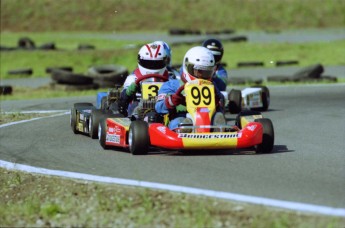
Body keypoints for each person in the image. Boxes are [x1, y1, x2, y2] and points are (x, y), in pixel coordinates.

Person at [155, 46, 226, 130]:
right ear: (187, 66)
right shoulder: (172, 85)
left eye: (206, 72)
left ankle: (218, 129)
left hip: (206, 117)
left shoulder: (211, 85)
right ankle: (184, 129)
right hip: (182, 116)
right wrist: (171, 101)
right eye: (199, 71)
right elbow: (158, 107)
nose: (201, 76)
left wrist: (218, 99)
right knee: (179, 122)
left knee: (217, 116)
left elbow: (221, 101)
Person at [118, 42, 169, 117]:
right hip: (139, 109)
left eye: (157, 63)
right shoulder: (133, 78)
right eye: (148, 63)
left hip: (163, 108)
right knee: (136, 108)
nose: (153, 67)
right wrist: (130, 90)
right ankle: (134, 120)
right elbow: (123, 98)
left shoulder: (170, 77)